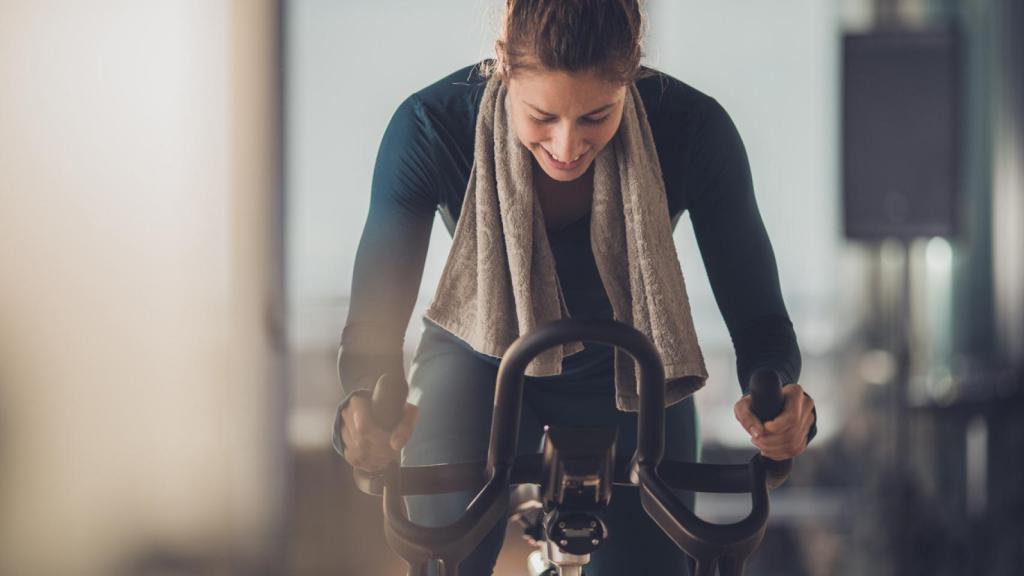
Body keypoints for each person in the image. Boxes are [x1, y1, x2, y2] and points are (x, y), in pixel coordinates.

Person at [334, 1, 817, 574]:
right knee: (442, 554)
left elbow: (760, 324)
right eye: (542, 117)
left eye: (596, 116)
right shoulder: (428, 128)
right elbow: (373, 327)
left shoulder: (695, 130)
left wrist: (781, 397)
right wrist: (364, 402)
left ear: (631, 76)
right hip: (478, 362)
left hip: (631, 372)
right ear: (503, 67)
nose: (567, 147)